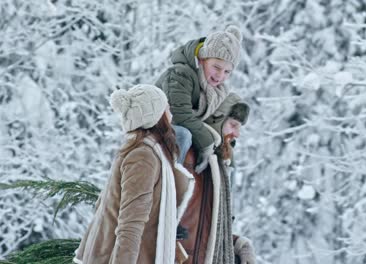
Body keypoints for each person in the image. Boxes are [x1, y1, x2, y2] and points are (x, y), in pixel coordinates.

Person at [73, 84, 194, 264]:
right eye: (166, 107)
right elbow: (130, 225)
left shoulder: (147, 151)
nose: (171, 112)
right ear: (156, 116)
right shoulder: (143, 157)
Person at [178, 93, 256, 264]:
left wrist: (238, 245)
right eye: (233, 125)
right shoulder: (188, 155)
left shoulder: (222, 169)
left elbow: (205, 229)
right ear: (217, 121)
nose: (237, 134)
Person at [156, 25, 243, 171]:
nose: (220, 76)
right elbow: (179, 115)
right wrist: (207, 143)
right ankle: (168, 184)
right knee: (183, 136)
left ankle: (223, 193)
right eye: (216, 67)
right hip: (157, 125)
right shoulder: (180, 74)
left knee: (227, 157)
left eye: (227, 71)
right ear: (202, 58)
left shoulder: (215, 90)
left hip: (180, 126)